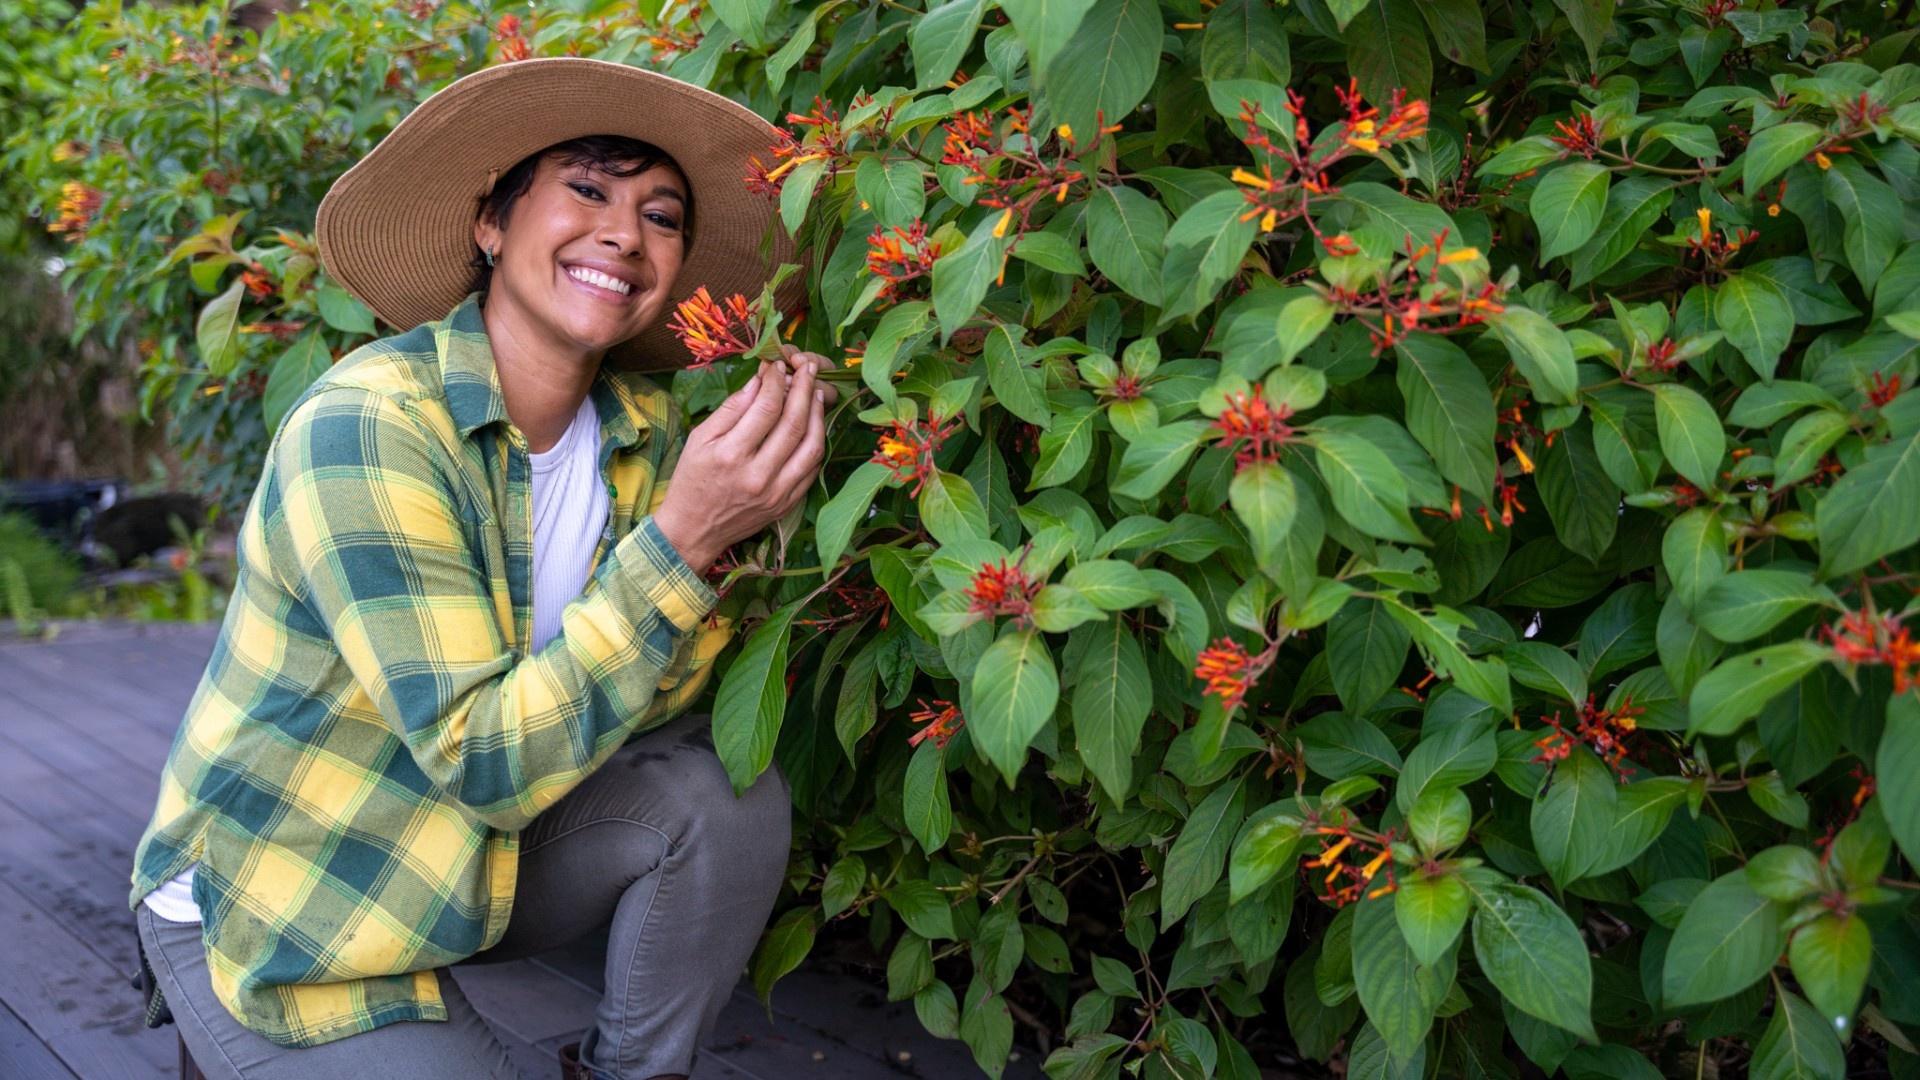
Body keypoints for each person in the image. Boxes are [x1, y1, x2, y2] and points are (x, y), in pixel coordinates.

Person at [127, 57, 835, 1079]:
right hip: (285, 905)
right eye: (587, 189)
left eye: (663, 214)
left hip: (465, 857)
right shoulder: (371, 426)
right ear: (491, 225)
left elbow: (656, 707)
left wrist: (728, 536)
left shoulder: (646, 435)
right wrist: (685, 543)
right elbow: (486, 762)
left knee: (721, 791)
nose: (625, 234)